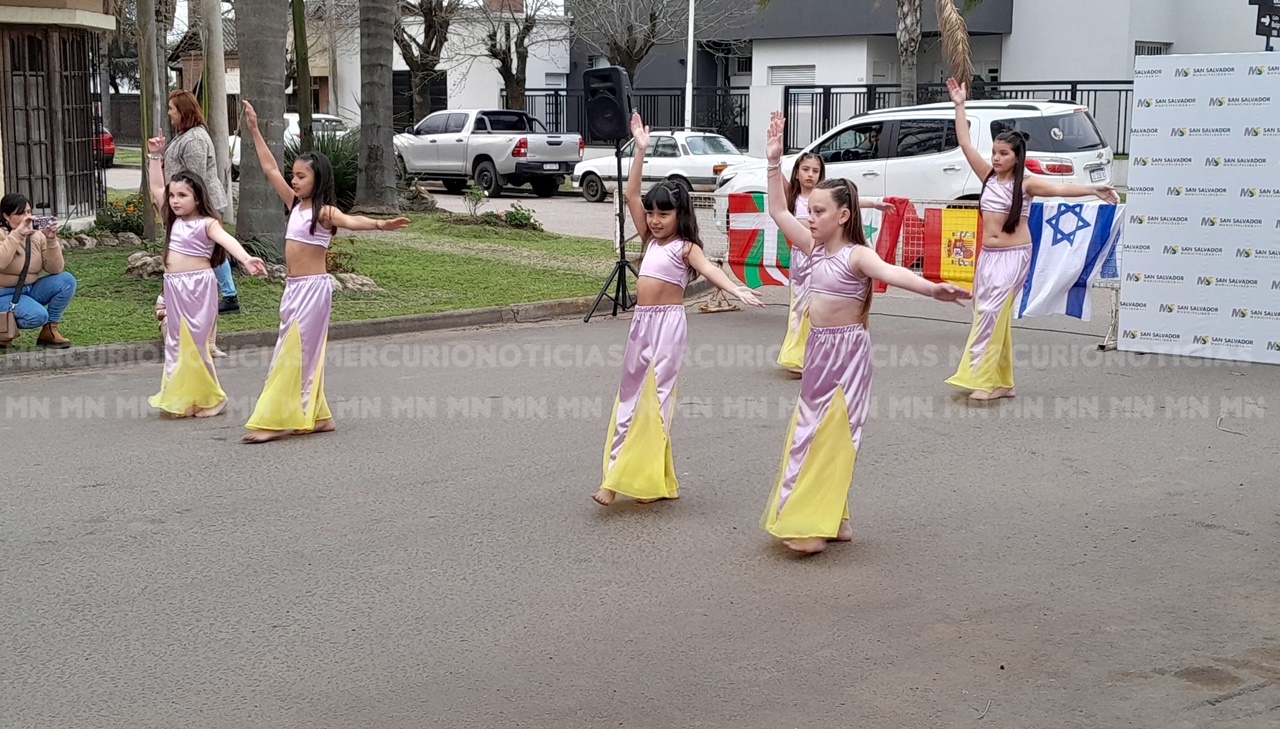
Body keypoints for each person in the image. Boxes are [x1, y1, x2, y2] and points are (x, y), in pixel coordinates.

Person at [760, 113, 971, 554]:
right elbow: (778, 208)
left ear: (843, 215)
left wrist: (933, 288)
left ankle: (815, 520)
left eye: (819, 212)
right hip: (818, 350)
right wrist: (773, 162)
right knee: (812, 430)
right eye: (811, 210)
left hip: (849, 354)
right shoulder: (811, 246)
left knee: (833, 432)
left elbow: (893, 272)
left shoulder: (857, 256)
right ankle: (834, 516)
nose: (811, 217)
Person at [592, 113, 765, 507]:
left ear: (680, 214)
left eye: (663, 214)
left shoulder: (686, 247)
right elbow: (632, 195)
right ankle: (649, 478)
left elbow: (709, 270)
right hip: (641, 324)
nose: (654, 221)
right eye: (652, 214)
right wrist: (640, 149)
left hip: (669, 326)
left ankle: (619, 481)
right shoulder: (650, 240)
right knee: (630, 397)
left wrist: (737, 289)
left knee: (656, 400)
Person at [239, 100, 410, 444]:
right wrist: (255, 130)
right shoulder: (294, 205)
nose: (294, 180)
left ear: (318, 179)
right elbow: (270, 168)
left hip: (314, 291)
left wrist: (379, 224)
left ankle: (276, 419)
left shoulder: (323, 212)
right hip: (293, 290)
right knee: (301, 350)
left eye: (302, 176)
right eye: (295, 175)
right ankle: (319, 416)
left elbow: (351, 220)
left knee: (294, 352)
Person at [945, 79, 1117, 401]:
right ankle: (1004, 383)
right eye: (994, 152)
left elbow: (1060, 189)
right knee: (988, 312)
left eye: (1003, 153)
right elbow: (966, 142)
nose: (995, 158)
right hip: (987, 256)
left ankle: (980, 378)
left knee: (991, 313)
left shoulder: (1027, 185)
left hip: (1014, 256)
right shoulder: (987, 176)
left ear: (1016, 156)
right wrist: (959, 105)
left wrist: (1092, 189)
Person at [144, 136, 266, 417]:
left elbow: (226, 240)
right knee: (176, 343)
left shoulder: (207, 223)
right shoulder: (172, 220)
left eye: (182, 195)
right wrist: (154, 156)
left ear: (198, 198)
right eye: (173, 196)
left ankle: (213, 398)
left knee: (196, 345)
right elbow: (155, 187)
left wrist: (246, 258)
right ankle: (181, 398)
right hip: (173, 287)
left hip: (198, 287)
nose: (174, 200)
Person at [777, 153, 892, 374]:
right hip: (801, 258)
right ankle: (796, 355)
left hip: (821, 256)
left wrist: (874, 204)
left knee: (819, 306)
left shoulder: (825, 197)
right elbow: (775, 181)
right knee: (799, 306)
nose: (810, 175)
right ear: (796, 173)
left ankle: (814, 354)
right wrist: (774, 157)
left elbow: (849, 202)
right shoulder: (792, 196)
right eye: (805, 169)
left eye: (815, 170)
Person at [159, 89, 241, 316]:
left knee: (211, 250)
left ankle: (229, 295)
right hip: (190, 205)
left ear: (183, 111)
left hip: (202, 206)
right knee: (210, 249)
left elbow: (194, 179)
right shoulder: (185, 134)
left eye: (172, 109)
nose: (169, 113)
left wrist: (184, 205)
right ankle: (226, 293)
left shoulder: (194, 138)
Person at [0, 193, 76, 349]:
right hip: (4, 293)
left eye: (28, 212)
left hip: (30, 289)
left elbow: (55, 269)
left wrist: (51, 239)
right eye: (20, 213)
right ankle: (2, 329)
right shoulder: (2, 235)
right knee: (38, 315)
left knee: (66, 281)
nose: (27, 217)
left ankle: (49, 331)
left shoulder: (36, 236)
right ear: (6, 216)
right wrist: (16, 235)